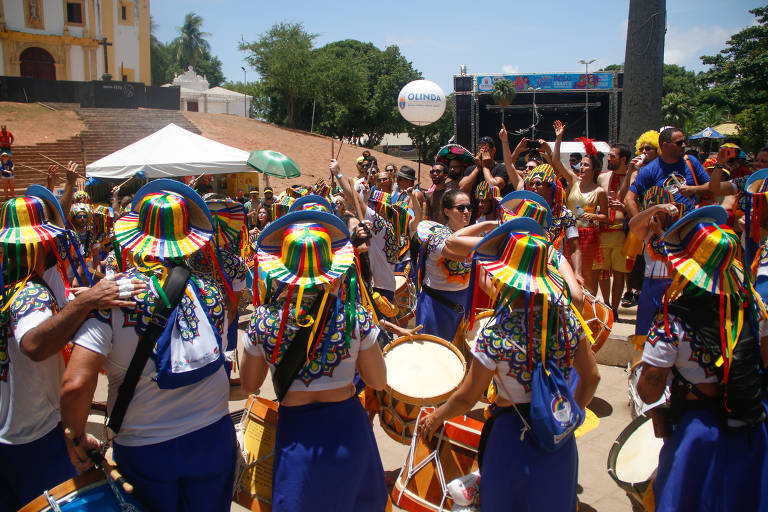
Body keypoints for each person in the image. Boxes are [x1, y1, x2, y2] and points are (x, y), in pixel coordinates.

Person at [60, 180, 237, 512]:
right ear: (189, 242)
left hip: (146, 448)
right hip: (213, 437)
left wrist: (76, 437)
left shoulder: (113, 297)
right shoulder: (212, 291)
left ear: (136, 239)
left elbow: (75, 384)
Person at [419, 218, 600, 511]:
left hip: (512, 438)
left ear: (506, 278)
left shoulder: (496, 331)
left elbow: (466, 397)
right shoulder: (567, 320)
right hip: (559, 440)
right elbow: (591, 377)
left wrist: (436, 416)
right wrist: (571, 417)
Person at [240, 209, 388, 511]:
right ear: (331, 266)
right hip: (348, 432)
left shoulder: (262, 321)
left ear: (281, 267)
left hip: (297, 436)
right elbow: (378, 381)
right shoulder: (354, 316)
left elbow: (249, 385)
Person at [0, 186, 137, 511]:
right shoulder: (29, 294)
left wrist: (73, 304)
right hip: (34, 439)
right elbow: (34, 344)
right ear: (40, 243)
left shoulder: (8, 287)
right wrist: (89, 300)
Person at [637, 206, 768, 511]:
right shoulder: (756, 309)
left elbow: (648, 391)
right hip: (751, 425)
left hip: (698, 435)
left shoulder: (671, 324)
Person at [415, 189, 485, 340]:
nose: (466, 211)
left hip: (462, 303)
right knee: (435, 355)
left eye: (469, 207)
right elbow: (457, 253)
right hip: (436, 307)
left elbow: (481, 275)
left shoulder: (473, 237)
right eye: (460, 208)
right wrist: (495, 229)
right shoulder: (438, 236)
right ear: (447, 211)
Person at [552, 120, 608, 295]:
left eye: (586, 165)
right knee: (566, 272)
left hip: (588, 235)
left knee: (588, 276)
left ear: (594, 170)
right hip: (568, 232)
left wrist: (593, 217)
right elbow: (555, 161)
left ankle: (591, 313)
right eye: (581, 164)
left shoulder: (599, 191)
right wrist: (559, 138)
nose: (581, 167)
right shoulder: (573, 181)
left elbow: (606, 217)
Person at [624, 127, 710, 219]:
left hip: (690, 221)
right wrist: (641, 225)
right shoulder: (649, 170)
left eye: (684, 142)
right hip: (664, 229)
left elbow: (711, 186)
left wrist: (693, 189)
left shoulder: (691, 161)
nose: (684, 145)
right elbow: (629, 199)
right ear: (665, 146)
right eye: (679, 143)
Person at [596, 143, 633, 318]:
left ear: (623, 159)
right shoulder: (602, 177)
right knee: (603, 272)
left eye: (612, 156)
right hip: (603, 232)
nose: (608, 159)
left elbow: (639, 206)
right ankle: (606, 304)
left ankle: (615, 309)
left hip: (622, 233)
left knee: (619, 273)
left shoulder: (634, 178)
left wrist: (625, 208)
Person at [459, 136, 507, 213]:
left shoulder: (500, 168)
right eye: (480, 149)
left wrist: (485, 166)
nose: (482, 152)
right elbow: (462, 188)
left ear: (493, 150)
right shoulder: (471, 169)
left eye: (485, 149)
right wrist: (478, 167)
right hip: (475, 214)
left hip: (496, 214)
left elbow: (495, 186)